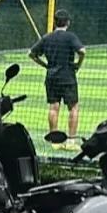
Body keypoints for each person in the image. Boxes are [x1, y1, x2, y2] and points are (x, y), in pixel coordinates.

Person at [29, 9, 86, 150]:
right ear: (68, 22)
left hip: (52, 77)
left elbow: (32, 54)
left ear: (54, 22)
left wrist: (46, 66)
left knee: (54, 107)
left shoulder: (47, 37)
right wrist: (78, 64)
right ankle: (71, 141)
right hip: (67, 77)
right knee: (73, 107)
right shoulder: (70, 37)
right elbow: (82, 51)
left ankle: (55, 141)